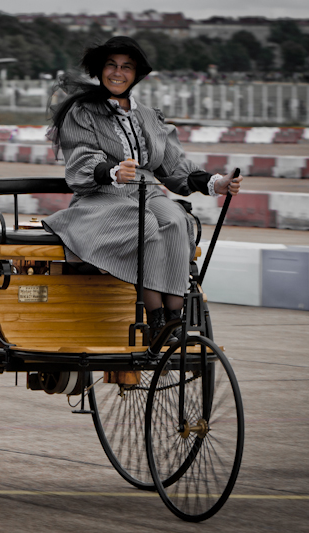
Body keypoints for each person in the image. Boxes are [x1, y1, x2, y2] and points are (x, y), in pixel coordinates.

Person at [43, 36, 241, 342]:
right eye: (111, 65)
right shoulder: (82, 112)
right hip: (102, 196)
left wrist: (216, 183)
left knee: (177, 221)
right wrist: (111, 171)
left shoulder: (148, 116)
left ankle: (175, 321)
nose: (118, 73)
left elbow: (173, 166)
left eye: (126, 67)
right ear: (100, 69)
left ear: (136, 74)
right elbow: (81, 160)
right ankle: (155, 320)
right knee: (146, 225)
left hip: (147, 191)